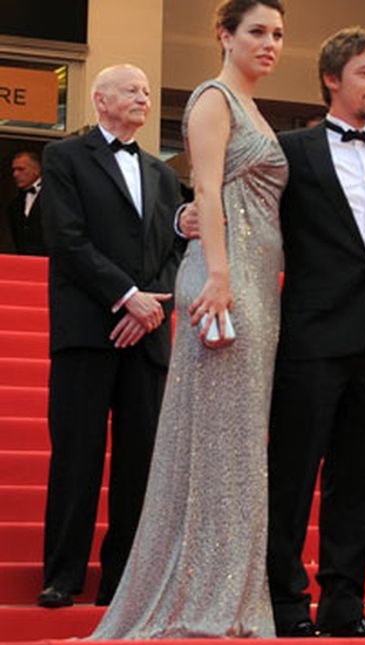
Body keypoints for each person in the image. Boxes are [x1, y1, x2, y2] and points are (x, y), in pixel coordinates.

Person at [87, 0, 285, 639]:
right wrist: (221, 275)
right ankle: (201, 599)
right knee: (216, 440)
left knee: (239, 443)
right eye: (257, 31)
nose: (270, 43)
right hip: (223, 282)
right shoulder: (213, 98)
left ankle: (232, 597)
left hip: (258, 282)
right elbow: (204, 187)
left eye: (279, 34)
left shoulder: (256, 109)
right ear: (224, 36)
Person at [262, 27, 365, 639]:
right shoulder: (290, 149)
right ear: (332, 79)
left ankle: (345, 604)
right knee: (292, 474)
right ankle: (284, 600)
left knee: (360, 480)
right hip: (310, 334)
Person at [36, 64, 184, 612]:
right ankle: (62, 576)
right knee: (77, 457)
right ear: (99, 100)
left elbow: (174, 250)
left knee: (138, 462)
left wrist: (149, 307)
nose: (144, 97)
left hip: (146, 335)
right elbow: (66, 239)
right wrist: (126, 296)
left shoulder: (164, 174)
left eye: (148, 90)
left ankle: (123, 579)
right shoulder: (65, 158)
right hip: (87, 331)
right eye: (132, 90)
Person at [7, 151, 45, 255]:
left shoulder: (53, 196)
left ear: (37, 170)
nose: (15, 174)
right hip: (25, 262)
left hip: (51, 262)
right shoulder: (14, 205)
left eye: (21, 169)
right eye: (14, 170)